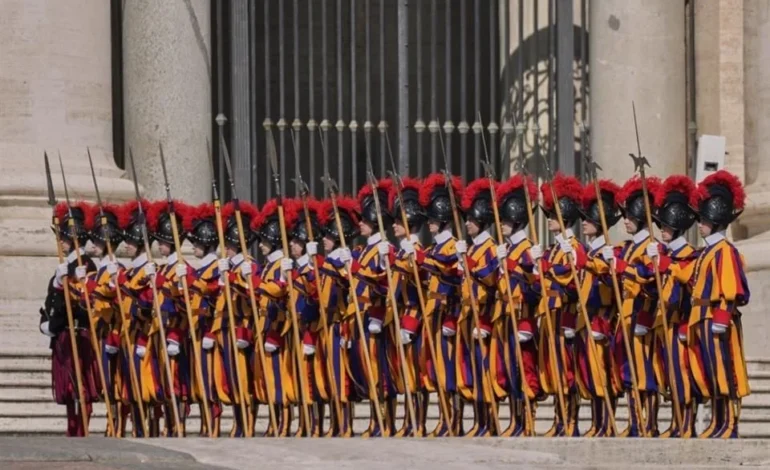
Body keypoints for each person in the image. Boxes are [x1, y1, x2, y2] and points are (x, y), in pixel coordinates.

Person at [658, 170, 750, 438]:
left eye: (705, 220)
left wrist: (722, 316)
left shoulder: (725, 251)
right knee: (711, 374)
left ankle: (729, 424)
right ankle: (718, 423)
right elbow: (690, 276)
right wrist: (668, 266)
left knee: (724, 373)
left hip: (715, 317)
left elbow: (730, 289)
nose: (699, 224)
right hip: (701, 316)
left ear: (716, 220)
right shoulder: (708, 251)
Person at [607, 176, 662, 437]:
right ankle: (634, 423)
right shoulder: (627, 248)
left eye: (629, 216)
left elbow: (651, 281)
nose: (625, 221)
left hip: (643, 317)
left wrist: (621, 268)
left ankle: (649, 424)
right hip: (626, 316)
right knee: (628, 372)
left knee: (645, 373)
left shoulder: (652, 248)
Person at [40, 201, 100, 437]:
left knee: (80, 386)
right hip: (63, 332)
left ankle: (81, 430)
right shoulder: (66, 266)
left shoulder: (86, 266)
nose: (61, 243)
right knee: (68, 388)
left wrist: (77, 284)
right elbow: (52, 301)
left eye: (63, 238)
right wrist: (48, 322)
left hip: (77, 332)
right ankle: (72, 429)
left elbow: (85, 303)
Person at [648, 175, 699, 438]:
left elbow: (692, 282)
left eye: (666, 227)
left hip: (681, 322)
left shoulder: (689, 254)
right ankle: (676, 422)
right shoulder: (665, 255)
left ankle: (686, 423)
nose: (662, 230)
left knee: (683, 375)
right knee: (669, 375)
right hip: (664, 323)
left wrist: (667, 266)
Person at [349, 179, 401, 437]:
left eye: (364, 220)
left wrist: (371, 266)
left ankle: (386, 421)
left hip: (377, 318)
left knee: (381, 371)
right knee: (367, 371)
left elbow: (385, 286)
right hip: (362, 316)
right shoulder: (362, 249)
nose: (360, 223)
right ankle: (375, 420)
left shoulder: (385, 249)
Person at [537, 173, 586, 437]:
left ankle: (571, 422)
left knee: (567, 370)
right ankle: (559, 421)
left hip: (565, 314)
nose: (549, 220)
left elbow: (571, 279)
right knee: (555, 369)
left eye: (553, 215)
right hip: (551, 314)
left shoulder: (573, 247)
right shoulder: (555, 248)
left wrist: (544, 266)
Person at [492, 174, 541, 437]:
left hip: (523, 316)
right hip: (506, 315)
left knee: (525, 369)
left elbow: (535, 286)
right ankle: (516, 420)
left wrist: (516, 266)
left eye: (506, 220)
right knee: (510, 369)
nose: (502, 224)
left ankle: (528, 421)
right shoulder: (509, 248)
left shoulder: (526, 248)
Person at [417, 173, 464, 436]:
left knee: (450, 368)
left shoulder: (452, 247)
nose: (430, 223)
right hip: (433, 313)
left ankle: (454, 420)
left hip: (449, 313)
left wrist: (422, 260)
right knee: (436, 369)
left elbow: (452, 275)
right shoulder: (434, 249)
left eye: (434, 219)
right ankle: (444, 418)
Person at [576, 179, 623, 437]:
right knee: (589, 374)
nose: (583, 223)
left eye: (589, 219)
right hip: (585, 319)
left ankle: (607, 424)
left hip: (601, 320)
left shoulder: (607, 252)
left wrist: (587, 263)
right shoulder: (588, 252)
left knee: (603, 373)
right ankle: (597, 423)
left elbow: (608, 284)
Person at [250, 199, 298, 436]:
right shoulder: (269, 265)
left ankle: (284, 423)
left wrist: (255, 283)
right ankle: (273, 421)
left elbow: (279, 291)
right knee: (266, 378)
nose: (261, 246)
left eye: (265, 242)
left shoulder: (281, 265)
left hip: (275, 326)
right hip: (262, 325)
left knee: (279, 378)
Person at [456, 177, 499, 437]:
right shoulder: (473, 248)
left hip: (483, 314)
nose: (467, 223)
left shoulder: (489, 247)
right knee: (472, 370)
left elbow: (492, 280)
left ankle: (489, 422)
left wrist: (469, 264)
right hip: (469, 314)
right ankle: (479, 422)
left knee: (485, 371)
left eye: (472, 219)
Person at [146, 200, 193, 436]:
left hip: (176, 332)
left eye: (163, 242)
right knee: (163, 380)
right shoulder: (163, 268)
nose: (159, 246)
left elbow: (187, 306)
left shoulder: (182, 268)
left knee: (177, 383)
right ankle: (167, 424)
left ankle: (178, 425)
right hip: (160, 331)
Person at [82, 202, 129, 436]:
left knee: (114, 381)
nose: (94, 245)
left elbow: (116, 303)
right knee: (104, 381)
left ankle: (116, 426)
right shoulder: (98, 269)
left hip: (111, 332)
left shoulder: (116, 269)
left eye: (98, 242)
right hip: (98, 331)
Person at [286, 197, 331, 437]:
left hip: (313, 328)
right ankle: (304, 424)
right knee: (301, 379)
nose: (292, 245)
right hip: (295, 327)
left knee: (316, 378)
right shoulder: (294, 267)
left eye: (296, 241)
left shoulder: (316, 265)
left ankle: (317, 425)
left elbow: (316, 296)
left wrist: (309, 271)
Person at [316, 195, 361, 436]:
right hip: (326, 323)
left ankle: (345, 425)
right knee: (329, 376)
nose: (323, 240)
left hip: (340, 323)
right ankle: (335, 423)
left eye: (328, 236)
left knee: (340, 375)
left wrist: (344, 268)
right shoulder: (329, 261)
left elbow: (349, 288)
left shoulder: (346, 261)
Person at [387, 177, 428, 436]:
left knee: (416, 371)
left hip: (414, 315)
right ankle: (408, 421)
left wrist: (392, 258)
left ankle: (419, 422)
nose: (393, 225)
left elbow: (414, 273)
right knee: (406, 373)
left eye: (398, 221)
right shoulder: (403, 250)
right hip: (401, 315)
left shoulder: (415, 249)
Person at [218, 200, 261, 437]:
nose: (224, 249)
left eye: (227, 245)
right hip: (229, 326)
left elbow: (253, 295)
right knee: (233, 378)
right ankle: (238, 421)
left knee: (245, 379)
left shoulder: (248, 266)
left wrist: (236, 279)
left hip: (244, 326)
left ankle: (248, 423)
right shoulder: (228, 267)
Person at [180, 202, 223, 437]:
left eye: (196, 243)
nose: (193, 247)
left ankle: (213, 426)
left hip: (208, 329)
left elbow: (215, 300)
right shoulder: (201, 269)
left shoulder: (215, 268)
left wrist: (210, 333)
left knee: (210, 381)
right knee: (199, 381)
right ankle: (205, 425)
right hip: (195, 329)